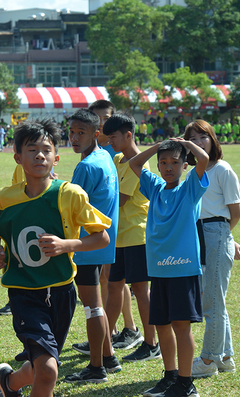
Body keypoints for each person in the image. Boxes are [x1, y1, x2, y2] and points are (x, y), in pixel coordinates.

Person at [0, 118, 111, 397]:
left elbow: (102, 237)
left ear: (56, 157)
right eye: (32, 150)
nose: (40, 155)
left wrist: (68, 244)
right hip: (24, 293)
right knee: (49, 370)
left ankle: (9, 382)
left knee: (44, 366)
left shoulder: (70, 194)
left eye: (46, 149)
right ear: (18, 157)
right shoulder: (6, 198)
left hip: (61, 292)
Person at [128, 137, 209, 397]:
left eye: (175, 162)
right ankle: (170, 376)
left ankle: (186, 384)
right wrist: (159, 146)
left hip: (182, 269)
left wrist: (184, 143)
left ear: (185, 165)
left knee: (181, 326)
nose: (168, 167)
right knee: (162, 324)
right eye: (163, 163)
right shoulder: (155, 188)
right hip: (159, 270)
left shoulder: (189, 189)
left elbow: (204, 160)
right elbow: (135, 162)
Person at [181, 120, 240, 381]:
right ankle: (226, 357)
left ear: (213, 140)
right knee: (215, 300)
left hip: (216, 234)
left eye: (202, 137)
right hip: (200, 235)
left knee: (212, 303)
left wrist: (226, 237)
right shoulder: (193, 174)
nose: (198, 142)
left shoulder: (223, 170)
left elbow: (234, 213)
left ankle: (207, 360)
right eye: (192, 139)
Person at [64, 109, 121, 383]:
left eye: (81, 133)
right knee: (95, 304)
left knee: (92, 307)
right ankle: (109, 357)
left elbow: (70, 207)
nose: (74, 138)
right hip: (101, 243)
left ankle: (96, 368)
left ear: (96, 133)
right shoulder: (105, 159)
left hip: (87, 244)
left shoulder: (86, 166)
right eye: (71, 132)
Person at [102, 112, 161, 362]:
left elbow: (120, 199)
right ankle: (104, 337)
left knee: (140, 289)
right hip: (119, 237)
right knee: (114, 287)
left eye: (113, 137)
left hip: (137, 234)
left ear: (128, 135)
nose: (110, 142)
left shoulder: (140, 163)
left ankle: (151, 343)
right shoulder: (116, 158)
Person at [86, 100, 138, 350]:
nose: (102, 123)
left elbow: (119, 195)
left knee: (115, 278)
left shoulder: (116, 151)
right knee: (108, 279)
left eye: (105, 118)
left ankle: (129, 327)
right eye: (97, 119)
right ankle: (113, 328)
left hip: (118, 225)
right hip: (105, 223)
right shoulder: (102, 150)